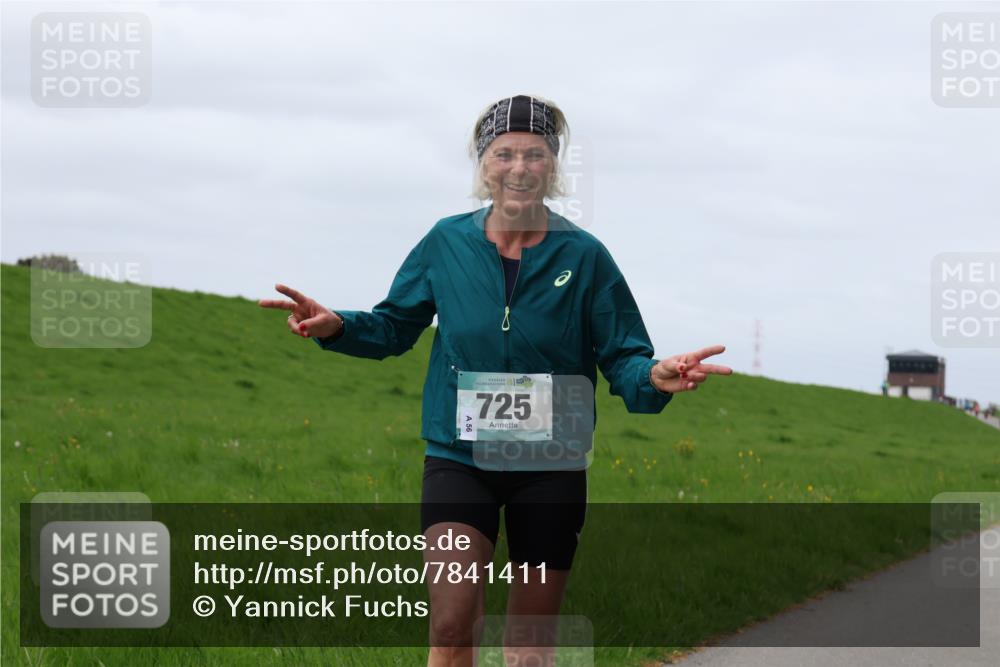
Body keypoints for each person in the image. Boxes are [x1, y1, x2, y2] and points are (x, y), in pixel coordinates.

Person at [259, 94, 732, 667]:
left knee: (528, 649)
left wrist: (655, 377)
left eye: (535, 154)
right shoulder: (445, 242)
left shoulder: (585, 258)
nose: (519, 167)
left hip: (550, 465)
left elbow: (626, 358)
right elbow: (393, 327)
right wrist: (338, 327)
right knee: (453, 623)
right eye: (504, 153)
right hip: (460, 461)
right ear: (483, 164)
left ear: (553, 166)